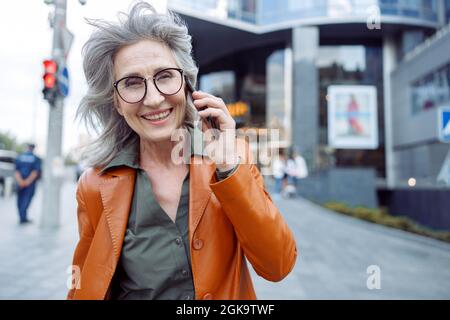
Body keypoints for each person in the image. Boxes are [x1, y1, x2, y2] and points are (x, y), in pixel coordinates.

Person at [67, 2, 297, 300]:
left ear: (187, 84)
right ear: (117, 102)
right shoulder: (95, 185)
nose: (153, 99)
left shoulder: (233, 157)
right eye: (133, 83)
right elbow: (85, 284)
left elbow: (277, 265)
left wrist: (229, 167)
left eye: (165, 76)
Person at [14, 143, 41, 224]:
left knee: (20, 200)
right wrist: (27, 182)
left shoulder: (20, 156)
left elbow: (16, 171)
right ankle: (23, 218)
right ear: (33, 148)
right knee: (26, 200)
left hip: (20, 183)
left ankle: (22, 217)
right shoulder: (35, 158)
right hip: (30, 184)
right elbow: (35, 172)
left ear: (27, 147)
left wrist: (21, 182)